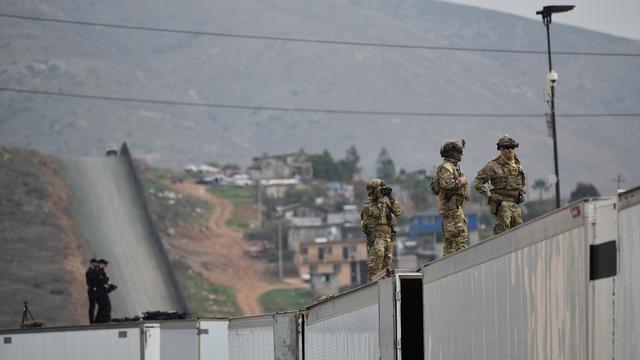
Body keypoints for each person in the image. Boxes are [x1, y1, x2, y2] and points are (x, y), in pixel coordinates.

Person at [473, 135, 526, 235]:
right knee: (502, 233)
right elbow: (478, 182)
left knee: (519, 233)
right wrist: (489, 196)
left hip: (516, 204)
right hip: (502, 203)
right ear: (501, 148)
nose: (510, 150)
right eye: (506, 147)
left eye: (512, 147)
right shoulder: (493, 165)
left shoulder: (517, 164)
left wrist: (521, 192)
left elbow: (521, 181)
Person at [433, 139, 469, 256]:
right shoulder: (446, 167)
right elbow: (447, 184)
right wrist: (462, 181)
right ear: (453, 153)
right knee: (452, 239)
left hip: (455, 208)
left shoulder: (454, 167)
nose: (461, 154)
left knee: (461, 238)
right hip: (450, 209)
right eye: (459, 152)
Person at [360, 178, 401, 281]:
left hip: (388, 238)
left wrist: (391, 196)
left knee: (386, 269)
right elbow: (376, 215)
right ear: (372, 190)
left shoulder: (385, 204)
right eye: (379, 189)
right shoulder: (368, 206)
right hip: (376, 239)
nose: (381, 191)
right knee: (375, 270)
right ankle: (372, 291)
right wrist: (380, 199)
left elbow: (398, 211)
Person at [94, 259, 112, 323]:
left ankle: (100, 320)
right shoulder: (98, 272)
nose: (106, 266)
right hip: (100, 292)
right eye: (105, 264)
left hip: (102, 292)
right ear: (101, 264)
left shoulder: (101, 272)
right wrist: (107, 285)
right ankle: (103, 320)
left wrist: (108, 284)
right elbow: (100, 283)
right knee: (106, 306)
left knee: (103, 306)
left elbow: (103, 281)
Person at [85, 258, 99, 323]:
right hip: (91, 291)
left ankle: (94, 319)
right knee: (92, 306)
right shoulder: (89, 271)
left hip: (95, 290)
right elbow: (89, 282)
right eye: (95, 263)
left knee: (94, 305)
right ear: (92, 263)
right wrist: (94, 287)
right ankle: (91, 320)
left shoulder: (94, 270)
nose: (96, 264)